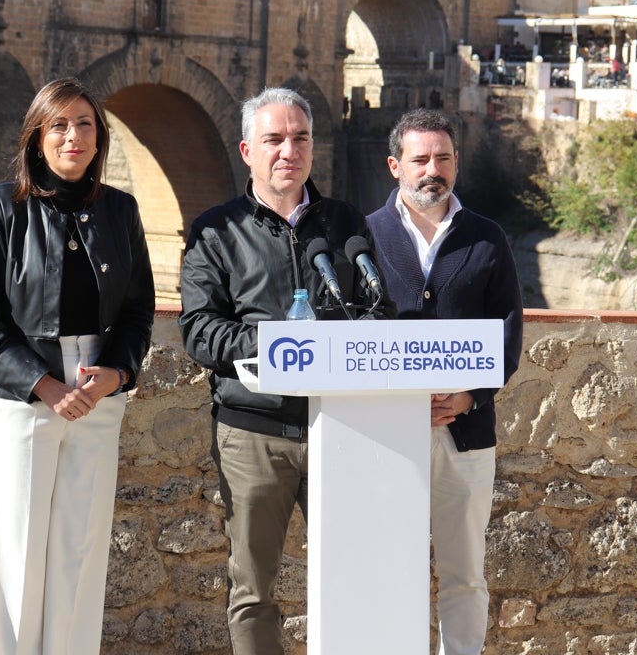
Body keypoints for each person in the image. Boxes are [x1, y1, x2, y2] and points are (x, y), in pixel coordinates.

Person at [179, 87, 385, 655]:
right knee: (253, 591)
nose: (287, 151)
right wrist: (285, 345)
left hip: (341, 428)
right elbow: (199, 331)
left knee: (355, 575)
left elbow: (375, 309)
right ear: (247, 150)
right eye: (273, 140)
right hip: (253, 431)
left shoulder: (344, 222)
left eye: (300, 139)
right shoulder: (215, 232)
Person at [0, 77, 155, 655]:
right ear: (37, 137)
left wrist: (118, 374)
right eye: (60, 125)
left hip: (97, 395)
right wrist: (41, 385)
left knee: (79, 554)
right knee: (13, 552)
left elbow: (140, 308)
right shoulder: (2, 206)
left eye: (85, 124)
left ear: (100, 139)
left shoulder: (121, 210)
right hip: (23, 395)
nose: (74, 136)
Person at [366, 109, 523, 655]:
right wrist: (400, 399)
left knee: (465, 571)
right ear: (395, 166)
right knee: (391, 565)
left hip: (467, 432)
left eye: (444, 158)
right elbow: (346, 333)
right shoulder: (363, 236)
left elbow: (508, 335)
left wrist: (469, 395)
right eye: (420, 159)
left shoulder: (488, 238)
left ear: (456, 164)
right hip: (385, 433)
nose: (433, 169)